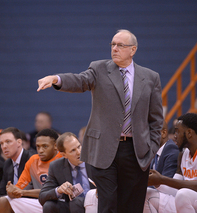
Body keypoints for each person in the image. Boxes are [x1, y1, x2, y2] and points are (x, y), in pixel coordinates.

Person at [37, 29, 163, 213]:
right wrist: (56, 79)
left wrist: (151, 148)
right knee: (108, 203)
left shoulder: (151, 77)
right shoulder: (99, 68)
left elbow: (156, 119)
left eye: (120, 45)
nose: (115, 48)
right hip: (104, 149)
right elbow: (80, 81)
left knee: (132, 206)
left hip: (136, 151)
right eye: (112, 44)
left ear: (133, 50)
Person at [143, 113, 197, 213]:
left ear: (189, 133)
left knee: (183, 194)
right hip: (186, 201)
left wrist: (162, 179)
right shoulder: (183, 154)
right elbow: (174, 188)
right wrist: (158, 182)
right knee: (147, 194)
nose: (174, 136)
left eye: (177, 131)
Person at [0, 129, 62, 213]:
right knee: (4, 201)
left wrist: (23, 192)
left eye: (45, 146)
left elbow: (53, 191)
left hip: (59, 202)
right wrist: (12, 191)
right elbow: (18, 189)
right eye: (38, 146)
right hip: (39, 202)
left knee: (49, 205)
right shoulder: (33, 160)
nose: (40, 150)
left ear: (55, 146)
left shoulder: (62, 158)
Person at [39, 132, 97, 213]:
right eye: (73, 150)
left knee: (75, 202)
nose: (79, 152)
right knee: (49, 206)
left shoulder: (94, 159)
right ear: (64, 155)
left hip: (96, 203)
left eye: (79, 147)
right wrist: (59, 190)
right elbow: (42, 197)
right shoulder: (56, 166)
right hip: (72, 206)